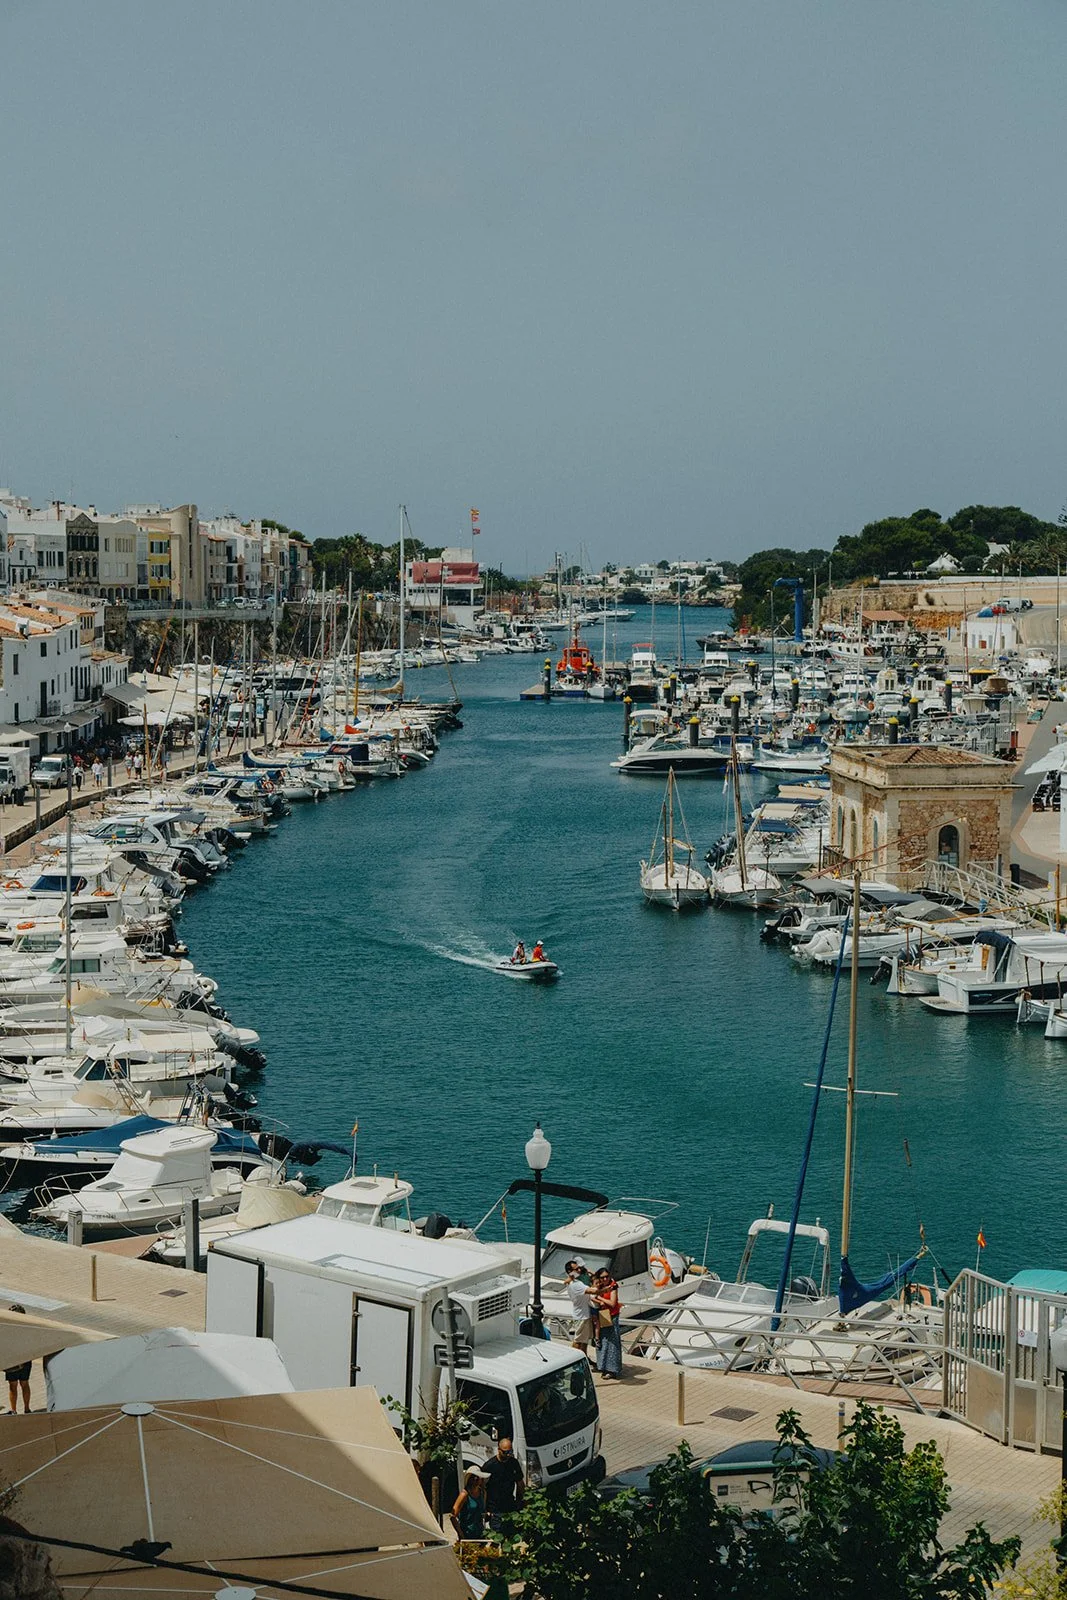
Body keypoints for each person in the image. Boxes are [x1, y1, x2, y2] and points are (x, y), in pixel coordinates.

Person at [482, 1436, 524, 1531]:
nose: (508, 1455)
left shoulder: (514, 1463)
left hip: (510, 1505)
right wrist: (485, 1509)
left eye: (510, 1451)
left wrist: (519, 1501)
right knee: (497, 1533)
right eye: (505, 1452)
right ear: (499, 1450)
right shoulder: (489, 1466)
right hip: (495, 1508)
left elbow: (520, 1483)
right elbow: (482, 1487)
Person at [592, 1269, 623, 1380]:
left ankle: (612, 1370)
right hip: (601, 1316)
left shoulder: (613, 1287)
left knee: (612, 1344)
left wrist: (599, 1297)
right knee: (602, 1342)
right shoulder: (599, 1286)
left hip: (611, 1317)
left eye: (607, 1276)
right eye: (602, 1277)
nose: (605, 1279)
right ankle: (602, 1366)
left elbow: (613, 1303)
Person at [565, 1258, 595, 1355]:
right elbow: (593, 1291)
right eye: (577, 1269)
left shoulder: (576, 1280)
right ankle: (573, 1358)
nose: (579, 1270)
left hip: (585, 1314)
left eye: (579, 1268)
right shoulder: (575, 1284)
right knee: (578, 1340)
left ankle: (584, 1358)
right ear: (570, 1271)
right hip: (581, 1316)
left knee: (584, 1340)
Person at [4, 1305, 31, 1413]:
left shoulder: (7, 1328)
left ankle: (15, 1410)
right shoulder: (27, 1328)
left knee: (15, 1385)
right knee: (23, 1384)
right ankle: (25, 1409)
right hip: (22, 1359)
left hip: (14, 1359)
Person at [450, 1468, 488, 1541]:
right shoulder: (464, 1495)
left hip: (480, 1533)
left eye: (478, 1477)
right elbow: (453, 1516)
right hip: (467, 1534)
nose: (475, 1479)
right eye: (473, 1477)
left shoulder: (483, 1493)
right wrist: (460, 1534)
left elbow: (483, 1511)